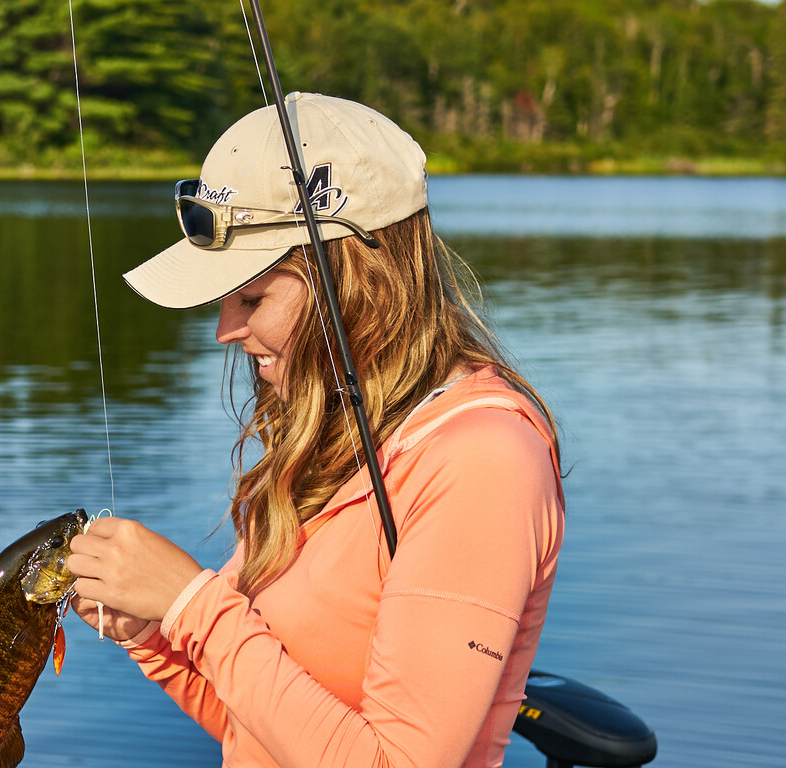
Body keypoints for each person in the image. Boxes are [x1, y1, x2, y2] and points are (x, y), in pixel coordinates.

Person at [64, 93, 563, 768]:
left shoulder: (483, 459)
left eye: (252, 297)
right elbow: (257, 728)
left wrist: (193, 605)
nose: (225, 331)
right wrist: (155, 632)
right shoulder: (330, 437)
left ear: (359, 279)